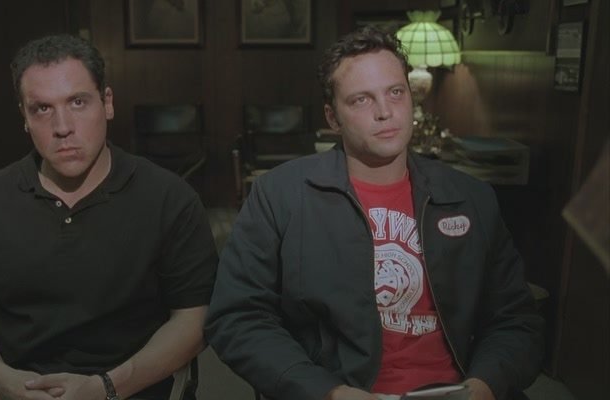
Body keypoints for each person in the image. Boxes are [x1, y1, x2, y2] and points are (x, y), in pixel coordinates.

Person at [204, 26, 544, 400]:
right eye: (361, 100)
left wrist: (483, 387)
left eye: (396, 92)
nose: (385, 112)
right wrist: (328, 393)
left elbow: (516, 320)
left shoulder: (471, 197)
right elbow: (237, 318)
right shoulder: (280, 195)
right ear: (333, 118)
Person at [0, 34, 218, 400]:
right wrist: (1, 381)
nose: (63, 127)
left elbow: (195, 318)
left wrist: (107, 387)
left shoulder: (170, 199)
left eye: (78, 102)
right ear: (24, 117)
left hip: (128, 388)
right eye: (42, 108)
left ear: (107, 103)